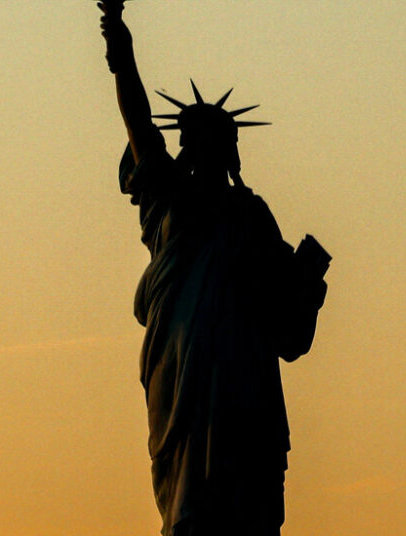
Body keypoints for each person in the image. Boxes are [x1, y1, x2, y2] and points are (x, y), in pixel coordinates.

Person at [98, 2, 329, 534]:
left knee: (245, 499)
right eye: (190, 139)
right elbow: (137, 122)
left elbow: (289, 334)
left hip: (244, 375)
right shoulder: (168, 197)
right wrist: (123, 57)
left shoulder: (251, 215)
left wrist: (307, 280)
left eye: (212, 141)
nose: (196, 148)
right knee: (188, 504)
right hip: (182, 373)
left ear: (229, 151)